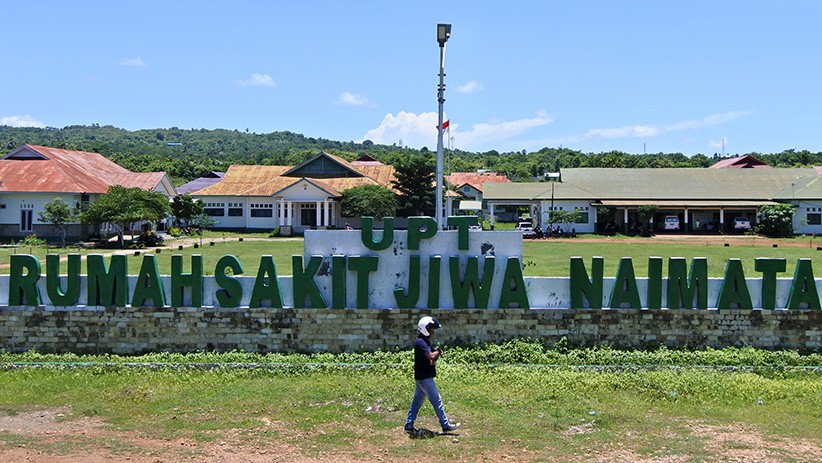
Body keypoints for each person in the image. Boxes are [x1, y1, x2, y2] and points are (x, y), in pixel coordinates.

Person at [404, 316, 461, 433]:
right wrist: (438, 352)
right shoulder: (420, 342)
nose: (433, 332)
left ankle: (408, 425)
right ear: (425, 329)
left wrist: (436, 353)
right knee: (436, 400)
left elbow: (431, 357)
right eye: (431, 329)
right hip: (424, 378)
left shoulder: (425, 341)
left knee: (417, 403)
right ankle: (445, 425)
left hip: (422, 377)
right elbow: (430, 356)